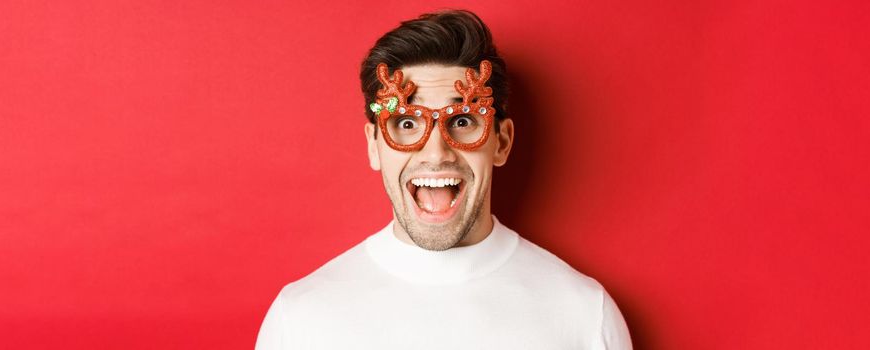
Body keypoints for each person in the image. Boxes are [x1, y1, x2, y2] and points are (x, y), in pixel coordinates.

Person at [255, 10, 632, 350]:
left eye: (463, 121)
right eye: (406, 123)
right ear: (374, 146)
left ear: (501, 142)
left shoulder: (584, 316)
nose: (435, 154)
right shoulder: (300, 320)